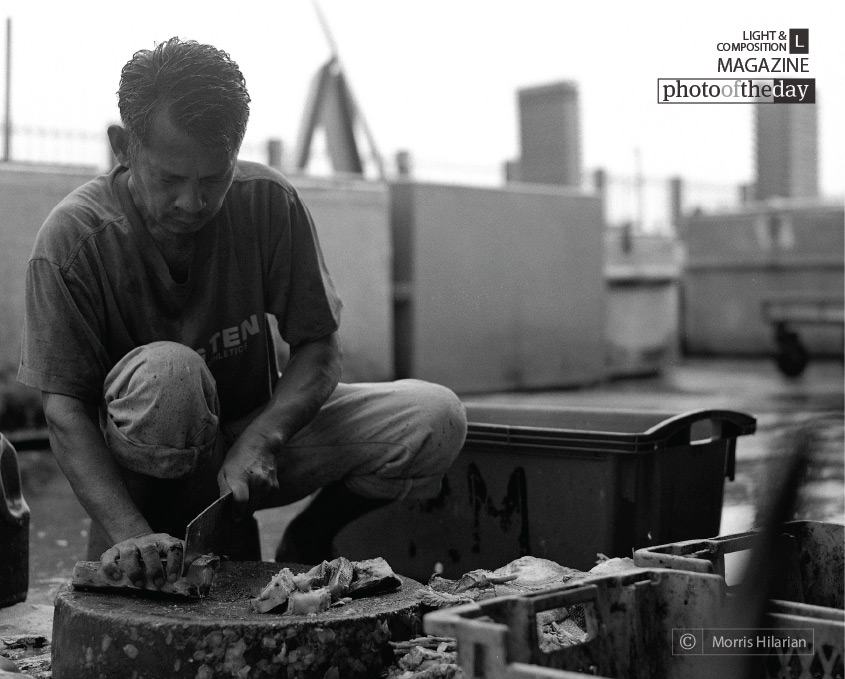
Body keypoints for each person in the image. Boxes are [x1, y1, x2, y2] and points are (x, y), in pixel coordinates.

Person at [17, 37, 466, 590]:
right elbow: (63, 411)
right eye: (171, 179)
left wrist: (263, 439)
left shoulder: (269, 203)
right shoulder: (72, 242)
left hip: (248, 445)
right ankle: (148, 555)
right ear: (122, 147)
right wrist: (127, 531)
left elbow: (320, 351)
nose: (193, 203)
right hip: (140, 467)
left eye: (213, 178)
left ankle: (308, 539)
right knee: (171, 375)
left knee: (434, 417)